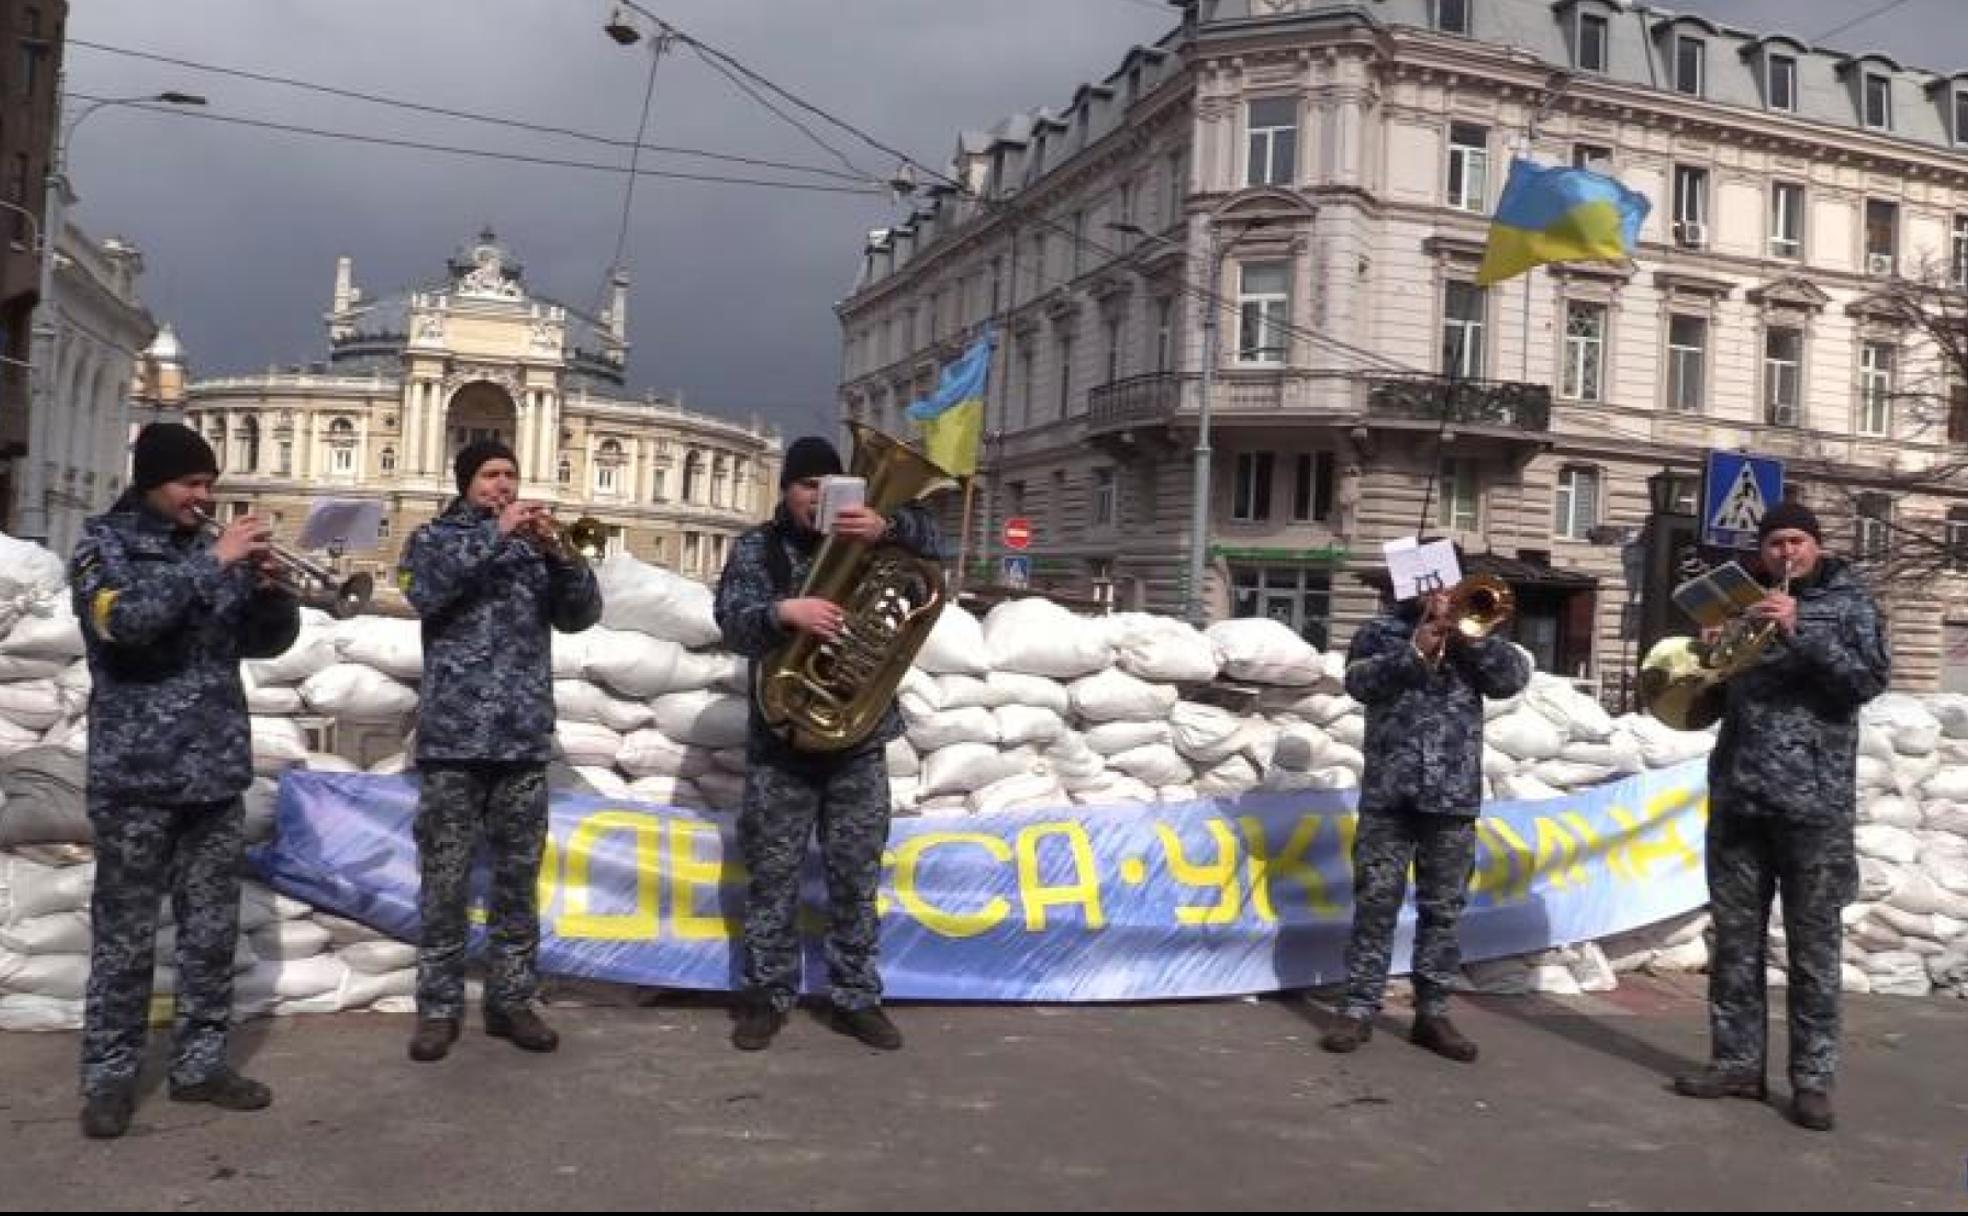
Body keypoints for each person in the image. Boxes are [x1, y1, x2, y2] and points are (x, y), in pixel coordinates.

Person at [70, 422, 301, 1139]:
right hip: (136, 775)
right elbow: (126, 623)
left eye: (210, 486)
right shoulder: (101, 546)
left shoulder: (211, 551)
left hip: (212, 772)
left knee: (209, 932)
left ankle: (201, 1065)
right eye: (191, 485)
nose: (204, 498)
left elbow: (264, 643)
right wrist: (215, 564)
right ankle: (110, 1077)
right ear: (152, 481)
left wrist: (270, 593)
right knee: (126, 937)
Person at [713, 436, 940, 1052]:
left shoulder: (872, 536)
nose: (817, 496)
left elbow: (937, 547)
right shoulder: (758, 547)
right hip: (783, 737)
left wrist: (889, 525)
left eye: (827, 484)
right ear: (786, 490)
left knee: (856, 873)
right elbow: (731, 622)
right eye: (806, 485)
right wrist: (786, 613)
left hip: (857, 737)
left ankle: (856, 997)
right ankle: (764, 996)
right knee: (773, 874)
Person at [1672, 501, 1889, 1132]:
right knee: (1735, 942)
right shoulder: (1740, 604)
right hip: (1739, 797)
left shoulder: (1851, 606)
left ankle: (1812, 1079)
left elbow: (1867, 682)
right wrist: (1708, 661)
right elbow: (1703, 706)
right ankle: (1736, 1062)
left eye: (1796, 541)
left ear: (1816, 546)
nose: (1785, 553)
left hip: (1813, 806)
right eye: (1773, 544)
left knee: (1813, 947)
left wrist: (1801, 630)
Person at [397, 439, 602, 1063]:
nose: (504, 487)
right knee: (445, 880)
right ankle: (437, 1007)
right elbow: (425, 593)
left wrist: (561, 558)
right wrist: (494, 537)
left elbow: (582, 616)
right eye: (490, 476)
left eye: (510, 476)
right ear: (466, 483)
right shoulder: (432, 539)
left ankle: (513, 999)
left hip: (519, 739)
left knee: (518, 880)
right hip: (454, 739)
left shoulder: (533, 548)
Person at [1321, 560, 1530, 1062]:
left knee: (1443, 909)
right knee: (1376, 902)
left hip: (1453, 796)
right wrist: (1419, 645)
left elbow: (1511, 679)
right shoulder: (1379, 632)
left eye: (1446, 580)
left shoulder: (1477, 630)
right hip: (1389, 794)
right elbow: (1359, 684)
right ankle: (1358, 1008)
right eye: (1427, 581)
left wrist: (1467, 636)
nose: (1438, 590)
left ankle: (1432, 1011)